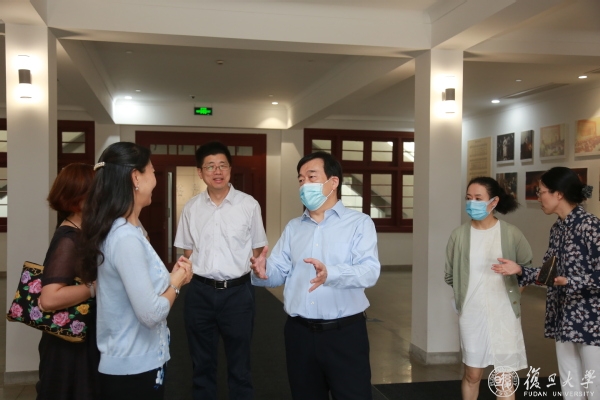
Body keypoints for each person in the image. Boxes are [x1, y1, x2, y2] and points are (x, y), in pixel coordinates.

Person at [251, 151, 380, 400]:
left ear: (333, 182)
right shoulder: (294, 227)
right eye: (301, 180)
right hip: (299, 334)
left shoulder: (359, 223)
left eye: (311, 177)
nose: (304, 185)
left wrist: (331, 273)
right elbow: (278, 272)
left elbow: (369, 271)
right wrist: (262, 271)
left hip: (344, 335)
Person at [78, 142, 193, 400]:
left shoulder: (130, 229)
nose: (155, 179)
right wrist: (176, 282)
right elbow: (150, 313)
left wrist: (170, 277)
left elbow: (139, 286)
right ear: (135, 178)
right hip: (132, 369)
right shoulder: (125, 237)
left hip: (137, 362)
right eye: (151, 171)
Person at [492, 167, 599, 399]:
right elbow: (550, 274)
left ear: (558, 194)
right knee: (570, 386)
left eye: (541, 192)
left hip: (592, 320)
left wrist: (570, 281)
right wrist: (521, 270)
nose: (538, 197)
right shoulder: (557, 228)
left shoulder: (590, 226)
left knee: (595, 387)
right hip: (564, 316)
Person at [174, 141, 267, 400]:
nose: (217, 171)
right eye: (210, 166)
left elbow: (258, 248)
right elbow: (187, 251)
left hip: (238, 294)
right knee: (201, 363)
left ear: (230, 169)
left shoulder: (249, 205)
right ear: (200, 172)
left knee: (240, 363)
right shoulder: (191, 208)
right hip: (200, 293)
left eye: (223, 165)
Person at [445, 176, 533, 400]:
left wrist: (514, 294)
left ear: (494, 202)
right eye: (469, 198)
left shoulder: (511, 233)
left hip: (504, 314)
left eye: (478, 198)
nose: (471, 203)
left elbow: (528, 268)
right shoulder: (458, 235)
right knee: (472, 374)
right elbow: (450, 275)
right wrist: (464, 295)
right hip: (472, 314)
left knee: (504, 377)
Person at [36, 163, 99, 400]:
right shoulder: (68, 238)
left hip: (80, 339)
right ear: (78, 198)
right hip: (67, 349)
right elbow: (50, 298)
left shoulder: (81, 231)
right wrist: (94, 287)